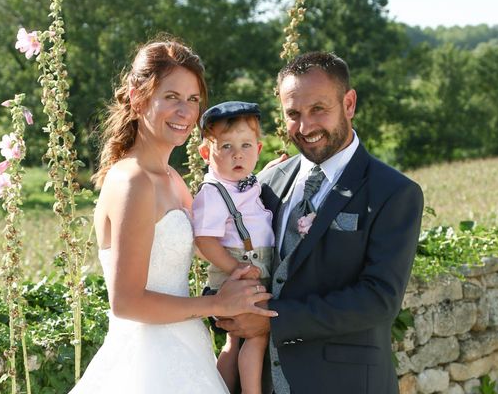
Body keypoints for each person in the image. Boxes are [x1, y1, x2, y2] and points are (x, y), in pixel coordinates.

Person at [70, 39, 277, 394]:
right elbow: (127, 302)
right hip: (147, 363)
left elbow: (218, 218)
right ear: (138, 98)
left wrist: (260, 179)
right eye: (171, 97)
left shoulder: (170, 178)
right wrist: (217, 303)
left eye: (193, 100)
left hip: (186, 348)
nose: (185, 112)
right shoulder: (134, 181)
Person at [216, 51, 424, 394]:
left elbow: (378, 299)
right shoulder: (269, 183)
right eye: (293, 114)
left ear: (349, 103)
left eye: (318, 110)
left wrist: (271, 319)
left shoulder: (394, 192)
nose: (305, 126)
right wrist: (222, 306)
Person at [192, 101, 275, 394]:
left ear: (258, 149)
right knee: (256, 336)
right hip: (239, 272)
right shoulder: (213, 192)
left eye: (246, 145)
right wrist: (236, 268)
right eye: (225, 146)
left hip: (250, 268)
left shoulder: (244, 183)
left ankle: (222, 389)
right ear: (205, 153)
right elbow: (204, 240)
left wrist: (268, 171)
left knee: (234, 339)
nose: (237, 154)